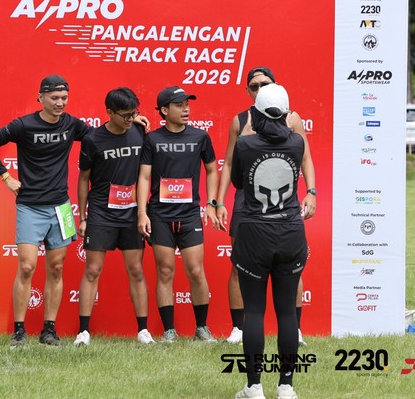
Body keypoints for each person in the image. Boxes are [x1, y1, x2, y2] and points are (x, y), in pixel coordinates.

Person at [0, 75, 90, 347]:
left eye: (64, 98)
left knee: (56, 267)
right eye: (54, 98)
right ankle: (19, 330)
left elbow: (103, 135)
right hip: (30, 206)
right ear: (40, 98)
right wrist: (6, 177)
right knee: (27, 266)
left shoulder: (71, 124)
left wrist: (130, 121)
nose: (60, 103)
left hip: (61, 207)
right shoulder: (24, 125)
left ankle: (48, 330)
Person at [216, 67, 315, 345]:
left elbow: (306, 158)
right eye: (254, 86)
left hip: (283, 208)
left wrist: (312, 191)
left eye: (266, 84)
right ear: (248, 91)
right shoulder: (240, 121)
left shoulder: (292, 120)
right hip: (248, 202)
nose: (260, 89)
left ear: (276, 87)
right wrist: (218, 201)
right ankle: (238, 327)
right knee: (240, 266)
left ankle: (295, 328)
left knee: (290, 273)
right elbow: (229, 165)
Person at [231, 84, 308, 399]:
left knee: (254, 311)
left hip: (254, 233)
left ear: (257, 113)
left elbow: (237, 181)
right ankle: (286, 387)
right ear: (286, 113)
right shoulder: (297, 142)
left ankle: (254, 387)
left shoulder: (244, 144)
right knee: (287, 312)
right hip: (290, 231)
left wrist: (249, 129)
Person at [137, 86, 220, 343]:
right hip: (160, 215)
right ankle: (169, 331)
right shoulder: (152, 139)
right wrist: (142, 213)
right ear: (164, 110)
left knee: (196, 271)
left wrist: (211, 203)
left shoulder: (200, 136)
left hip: (190, 215)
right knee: (165, 271)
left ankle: (202, 328)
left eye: (187, 104)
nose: (186, 109)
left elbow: (212, 170)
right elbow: (143, 177)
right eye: (179, 105)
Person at [74, 87, 154, 346]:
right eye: (125, 115)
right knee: (92, 269)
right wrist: (83, 217)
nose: (130, 119)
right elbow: (83, 179)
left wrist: (142, 212)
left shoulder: (139, 131)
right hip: (101, 212)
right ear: (109, 112)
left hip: (131, 213)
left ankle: (143, 330)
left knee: (136, 270)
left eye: (134, 113)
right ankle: (83, 332)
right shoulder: (93, 139)